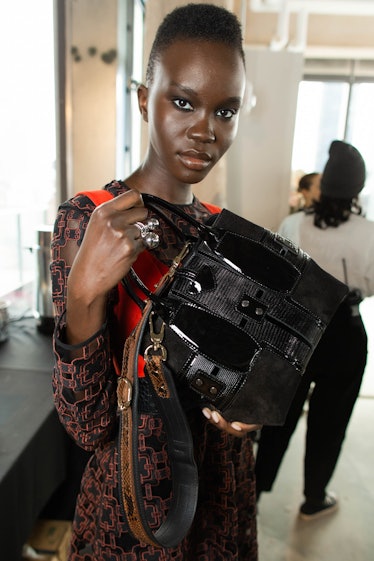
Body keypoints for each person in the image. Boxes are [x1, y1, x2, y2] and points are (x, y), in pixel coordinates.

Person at [51, 4, 259, 560]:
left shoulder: (223, 232)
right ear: (145, 99)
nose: (204, 130)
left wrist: (248, 411)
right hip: (136, 504)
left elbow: (237, 379)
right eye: (184, 101)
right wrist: (83, 294)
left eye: (226, 110)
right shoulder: (91, 218)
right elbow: (86, 424)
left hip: (223, 489)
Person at [255, 140, 374, 520]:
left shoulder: (295, 223)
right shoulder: (370, 233)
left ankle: (252, 494)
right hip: (347, 333)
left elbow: (278, 276)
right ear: (357, 188)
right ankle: (314, 497)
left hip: (299, 329)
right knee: (331, 421)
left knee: (279, 416)